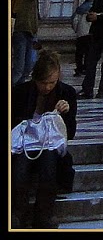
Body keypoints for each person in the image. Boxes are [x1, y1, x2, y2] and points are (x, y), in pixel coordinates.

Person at [11, 50, 76, 228]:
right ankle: (18, 212)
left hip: (49, 144)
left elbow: (69, 133)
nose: (47, 87)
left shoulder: (66, 93)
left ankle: (44, 214)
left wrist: (64, 115)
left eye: (52, 83)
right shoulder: (21, 92)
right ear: (35, 79)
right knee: (19, 168)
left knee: (49, 165)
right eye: (43, 83)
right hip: (25, 144)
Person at [11, 0, 51, 86]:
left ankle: (18, 89)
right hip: (22, 33)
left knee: (28, 66)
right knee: (19, 67)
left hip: (31, 34)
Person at [71, 0, 94, 78]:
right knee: (89, 53)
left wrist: (76, 30)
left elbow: (74, 20)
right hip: (91, 33)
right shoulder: (95, 7)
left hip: (81, 33)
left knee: (79, 53)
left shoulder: (80, 9)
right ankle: (87, 68)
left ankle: (79, 68)